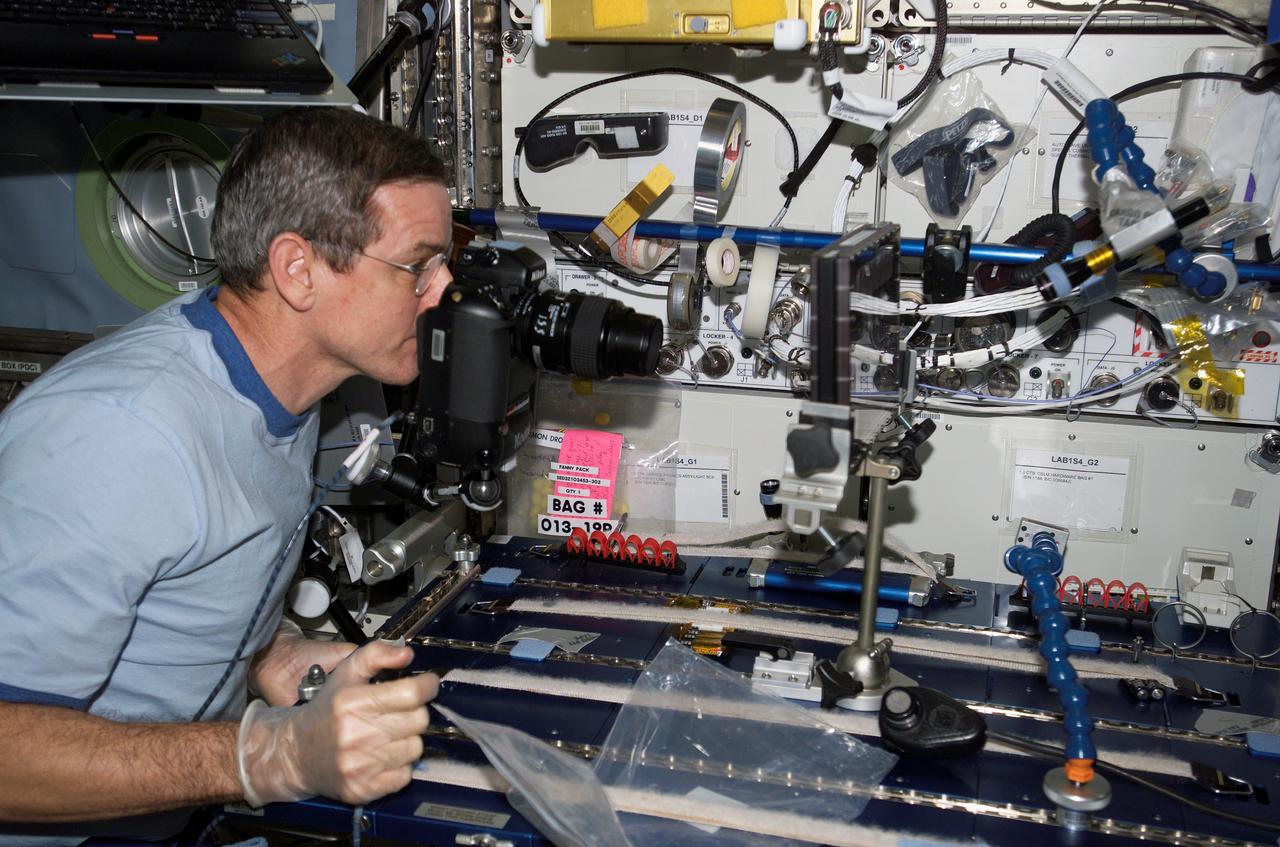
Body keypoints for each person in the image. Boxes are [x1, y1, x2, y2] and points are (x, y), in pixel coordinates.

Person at [0, 107, 454, 844]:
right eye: (418, 265)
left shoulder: (286, 385)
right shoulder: (120, 433)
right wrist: (269, 754)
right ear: (298, 269)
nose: (442, 290)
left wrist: (262, 654)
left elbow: (169, 570)